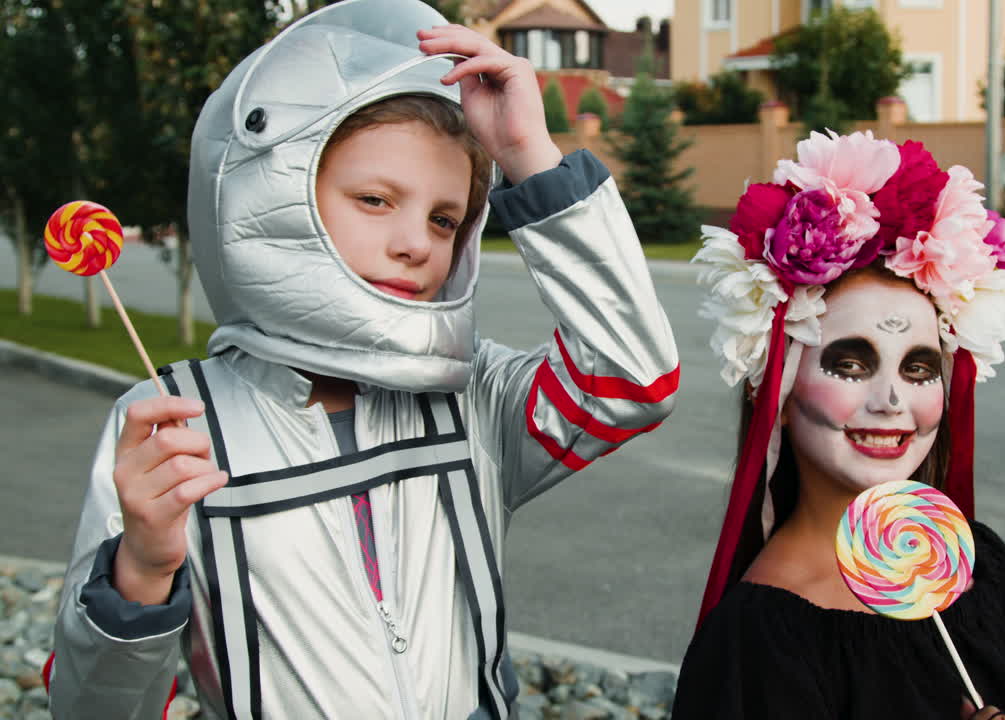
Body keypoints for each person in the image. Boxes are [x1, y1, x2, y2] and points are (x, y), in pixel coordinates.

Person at [46, 1, 678, 717]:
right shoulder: (172, 431)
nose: (418, 243)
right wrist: (140, 573)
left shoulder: (474, 398)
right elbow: (92, 708)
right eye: (376, 199)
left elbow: (633, 380)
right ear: (277, 194)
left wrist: (529, 155)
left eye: (446, 219)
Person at [671, 130, 1005, 719]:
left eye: (920, 367)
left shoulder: (982, 567)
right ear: (777, 383)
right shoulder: (761, 641)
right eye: (850, 364)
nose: (891, 400)